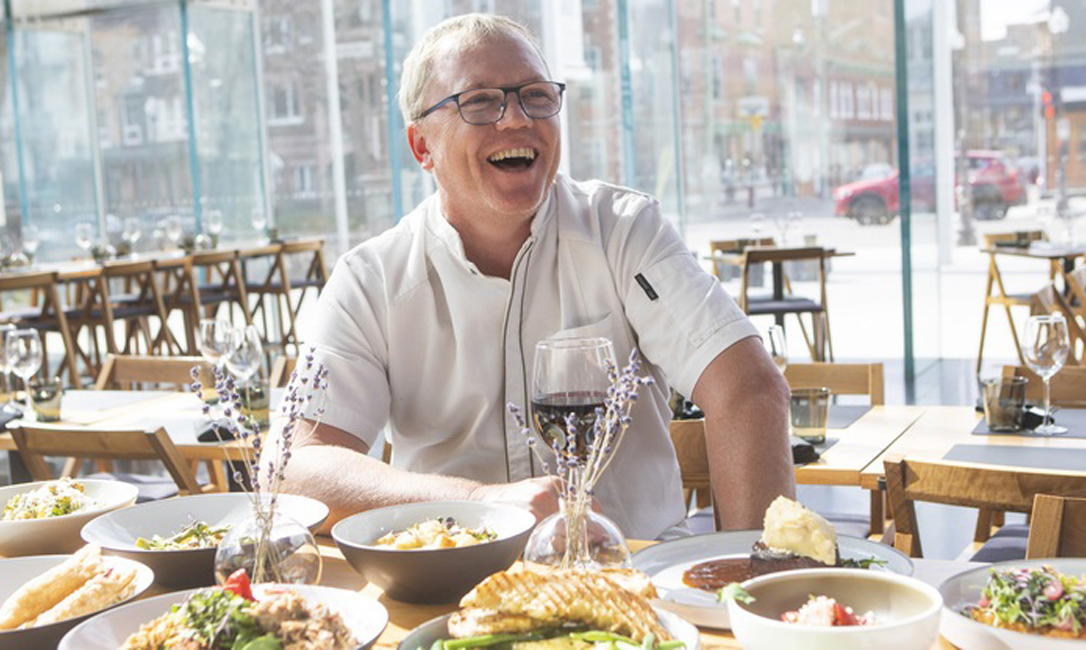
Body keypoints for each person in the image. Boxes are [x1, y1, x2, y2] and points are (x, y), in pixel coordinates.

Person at [275, 13, 794, 539]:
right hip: (452, 589)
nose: (516, 119)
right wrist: (478, 503)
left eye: (537, 96)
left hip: (635, 578)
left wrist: (752, 584)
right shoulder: (371, 280)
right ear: (421, 147)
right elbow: (296, 467)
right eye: (479, 101)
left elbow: (748, 390)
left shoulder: (623, 231)